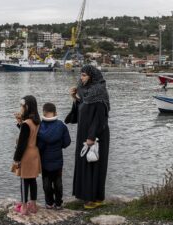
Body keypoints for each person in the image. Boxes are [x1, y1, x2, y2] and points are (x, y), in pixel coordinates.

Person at [68, 65, 110, 209]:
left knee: (94, 165)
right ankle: (88, 195)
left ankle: (93, 199)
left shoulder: (99, 92)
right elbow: (83, 107)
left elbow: (100, 117)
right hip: (84, 133)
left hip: (97, 135)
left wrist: (92, 137)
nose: (81, 77)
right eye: (81, 74)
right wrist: (75, 98)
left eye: (84, 75)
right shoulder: (85, 91)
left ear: (92, 77)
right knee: (85, 164)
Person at [37, 103, 71, 210]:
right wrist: (58, 145)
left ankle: (49, 203)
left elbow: (38, 146)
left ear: (43, 112)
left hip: (44, 162)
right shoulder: (61, 125)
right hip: (57, 161)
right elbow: (67, 142)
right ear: (55, 112)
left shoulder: (39, 127)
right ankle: (59, 204)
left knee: (46, 184)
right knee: (58, 183)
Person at [12, 95, 41, 215]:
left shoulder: (26, 124)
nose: (21, 109)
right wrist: (20, 123)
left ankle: (24, 208)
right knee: (32, 180)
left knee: (24, 181)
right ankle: (33, 206)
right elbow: (30, 135)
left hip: (26, 155)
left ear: (27, 107)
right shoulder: (36, 121)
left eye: (22, 106)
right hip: (35, 153)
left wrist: (16, 159)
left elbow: (22, 143)